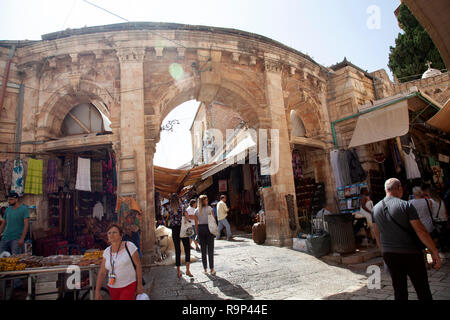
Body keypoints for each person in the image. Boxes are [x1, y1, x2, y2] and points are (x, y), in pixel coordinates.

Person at [372, 178, 441, 300]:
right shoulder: (406, 205)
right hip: (411, 253)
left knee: (399, 291)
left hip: (390, 254)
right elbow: (421, 231)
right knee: (422, 289)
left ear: (385, 190)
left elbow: (377, 233)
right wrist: (434, 251)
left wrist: (383, 251)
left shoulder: (376, 208)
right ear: (399, 188)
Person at [95, 224, 144, 300]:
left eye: (114, 232)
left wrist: (139, 285)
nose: (111, 235)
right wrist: (97, 291)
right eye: (109, 233)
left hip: (129, 285)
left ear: (121, 235)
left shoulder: (129, 246)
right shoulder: (106, 251)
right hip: (112, 288)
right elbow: (102, 272)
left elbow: (138, 265)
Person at [168, 193, 192, 278]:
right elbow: (187, 217)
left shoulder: (169, 208)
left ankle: (178, 271)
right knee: (187, 248)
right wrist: (188, 221)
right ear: (178, 199)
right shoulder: (182, 207)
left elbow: (170, 220)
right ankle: (187, 270)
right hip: (183, 228)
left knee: (177, 251)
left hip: (175, 230)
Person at [195, 195, 216, 275]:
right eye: (206, 200)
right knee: (210, 250)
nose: (207, 201)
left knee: (203, 251)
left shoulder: (196, 211)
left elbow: (196, 224)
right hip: (209, 229)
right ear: (204, 201)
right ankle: (212, 269)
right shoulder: (210, 209)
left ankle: (205, 269)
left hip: (201, 229)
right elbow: (213, 220)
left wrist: (197, 233)